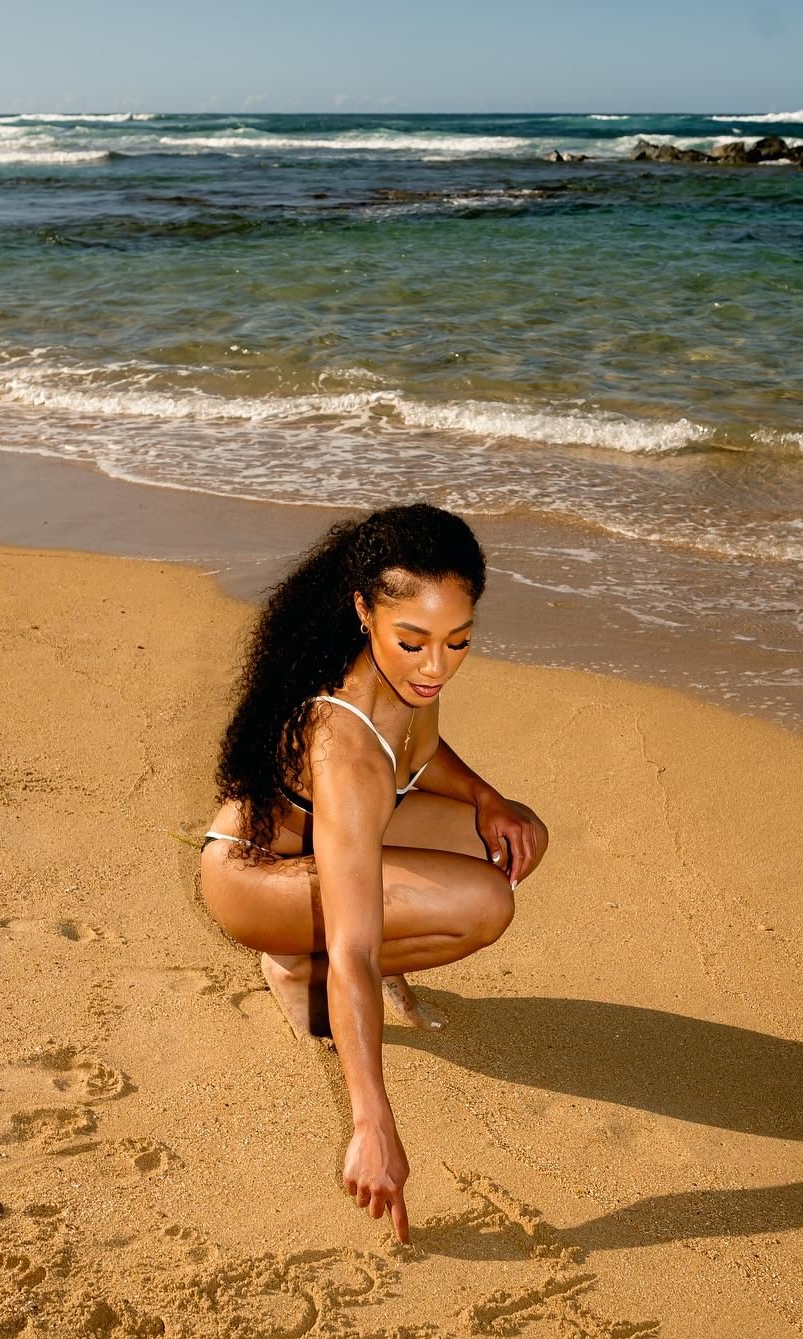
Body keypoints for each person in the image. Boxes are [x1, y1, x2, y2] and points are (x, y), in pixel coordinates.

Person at [198, 503, 549, 1247]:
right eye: (414, 643)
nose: (436, 666)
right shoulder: (345, 742)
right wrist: (372, 1124)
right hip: (254, 875)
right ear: (364, 610)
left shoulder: (406, 675)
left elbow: (418, 749)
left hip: (328, 839)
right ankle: (295, 961)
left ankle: (310, 949)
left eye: (459, 641)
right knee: (483, 903)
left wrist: (487, 798)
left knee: (518, 835)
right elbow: (356, 948)